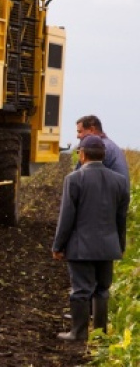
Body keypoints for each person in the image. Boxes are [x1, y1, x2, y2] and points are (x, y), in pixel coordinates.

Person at [52, 134, 129, 341]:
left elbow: (66, 217)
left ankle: (78, 332)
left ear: (82, 155)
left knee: (81, 290)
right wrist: (120, 245)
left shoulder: (74, 179)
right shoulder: (120, 181)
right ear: (103, 155)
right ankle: (100, 333)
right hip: (108, 246)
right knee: (102, 290)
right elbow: (121, 218)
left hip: (81, 247)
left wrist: (58, 246)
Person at [75, 115, 129, 185]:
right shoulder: (110, 146)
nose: (77, 136)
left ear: (92, 129)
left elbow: (79, 178)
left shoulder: (98, 148)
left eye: (80, 132)